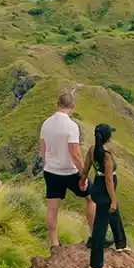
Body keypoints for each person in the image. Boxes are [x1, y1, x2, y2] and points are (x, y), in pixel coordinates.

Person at [39, 88, 94, 248]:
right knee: (92, 199)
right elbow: (75, 154)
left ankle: (55, 244)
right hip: (69, 172)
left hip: (50, 171)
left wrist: (48, 164)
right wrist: (84, 175)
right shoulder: (71, 126)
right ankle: (94, 236)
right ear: (72, 106)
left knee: (52, 209)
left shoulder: (46, 123)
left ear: (57, 104)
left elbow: (42, 151)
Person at [86, 123, 128, 268]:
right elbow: (109, 180)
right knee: (100, 227)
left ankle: (121, 244)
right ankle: (96, 265)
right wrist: (113, 200)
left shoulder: (92, 150)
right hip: (105, 191)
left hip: (97, 186)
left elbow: (86, 167)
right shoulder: (107, 156)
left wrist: (83, 179)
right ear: (107, 137)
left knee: (114, 214)